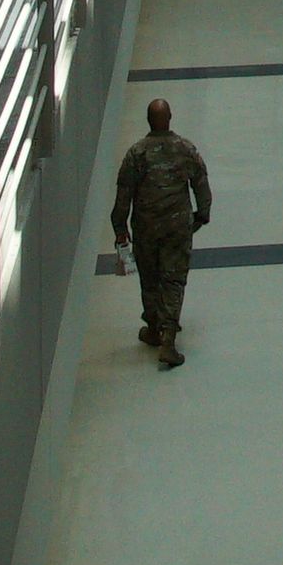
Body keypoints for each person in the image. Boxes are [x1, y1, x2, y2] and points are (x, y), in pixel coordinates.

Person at [109, 96, 210, 369]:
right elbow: (201, 182)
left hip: (146, 227)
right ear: (170, 118)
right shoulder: (185, 149)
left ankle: (153, 327)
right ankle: (168, 341)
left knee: (150, 277)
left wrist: (120, 229)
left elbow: (123, 195)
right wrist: (202, 214)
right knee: (173, 280)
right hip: (177, 226)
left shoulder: (136, 154)